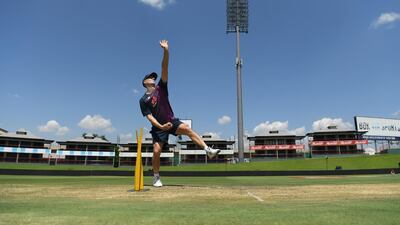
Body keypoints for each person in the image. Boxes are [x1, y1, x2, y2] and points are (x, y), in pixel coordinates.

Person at [139, 40, 220, 187]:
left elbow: (165, 67)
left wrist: (166, 51)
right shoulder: (143, 100)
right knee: (157, 151)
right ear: (144, 82)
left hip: (171, 120)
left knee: (187, 129)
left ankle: (207, 150)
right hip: (159, 127)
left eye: (153, 77)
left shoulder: (161, 88)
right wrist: (161, 127)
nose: (153, 78)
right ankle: (156, 177)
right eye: (150, 77)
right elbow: (149, 117)